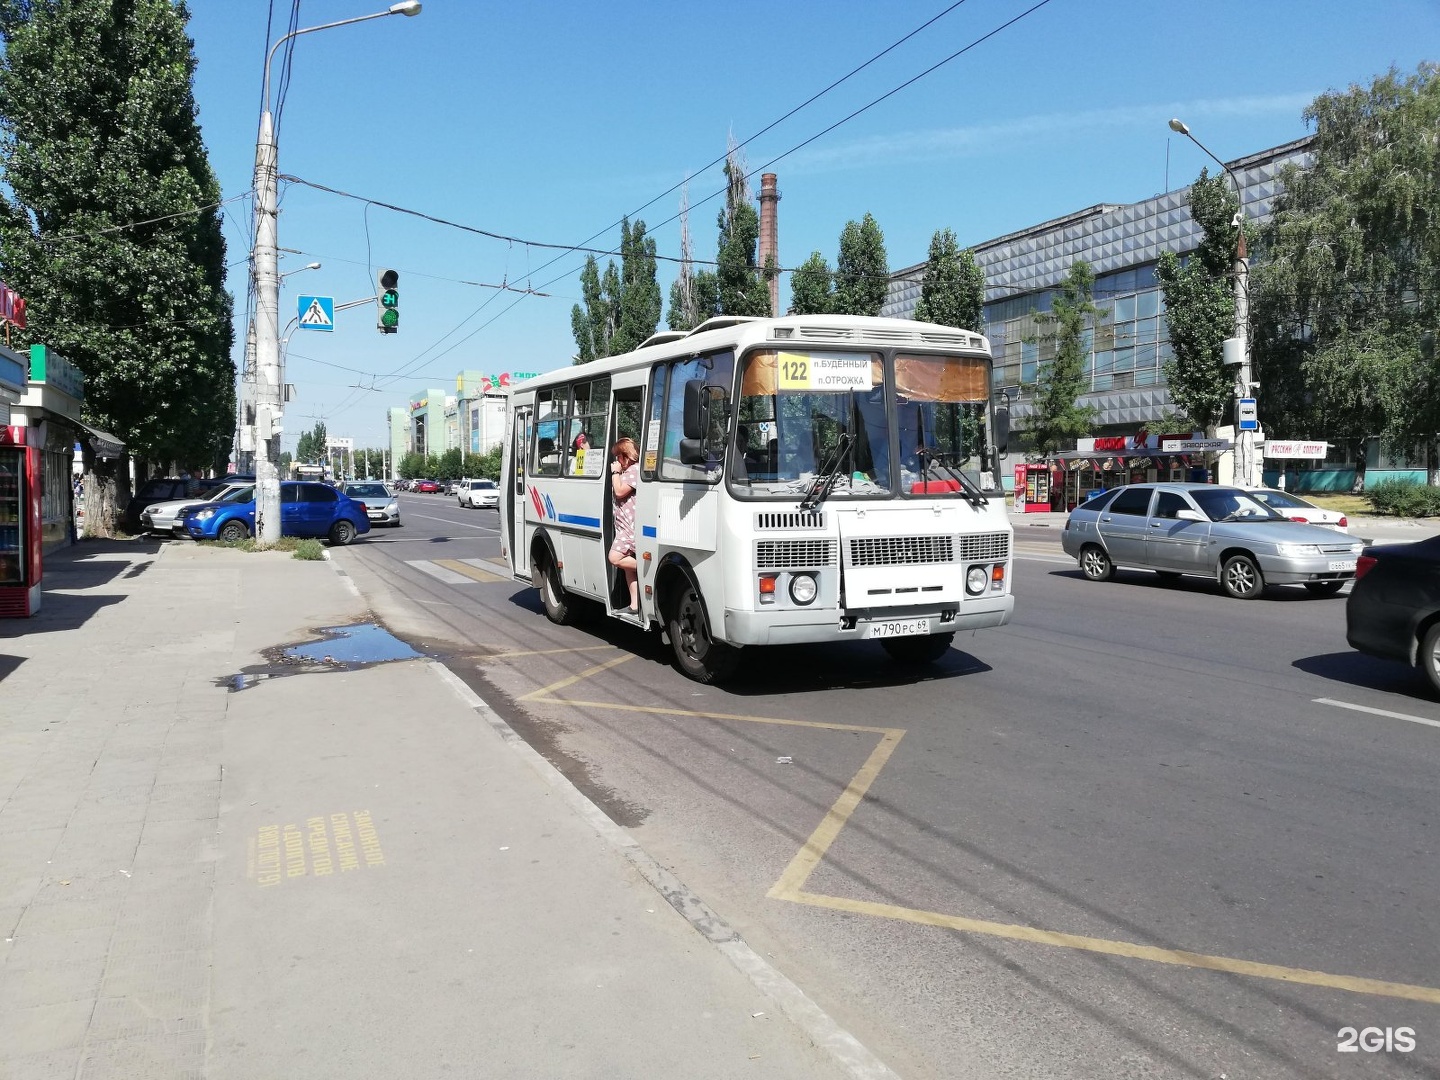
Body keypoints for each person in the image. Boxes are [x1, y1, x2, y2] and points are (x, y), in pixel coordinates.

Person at [608, 437, 640, 613]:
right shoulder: (629, 471)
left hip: (630, 528)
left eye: (618, 457)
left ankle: (644, 568)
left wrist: (615, 473)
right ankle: (634, 605)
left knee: (615, 558)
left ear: (625, 456)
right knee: (629, 571)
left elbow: (620, 492)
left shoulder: (634, 470)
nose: (616, 461)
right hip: (624, 527)